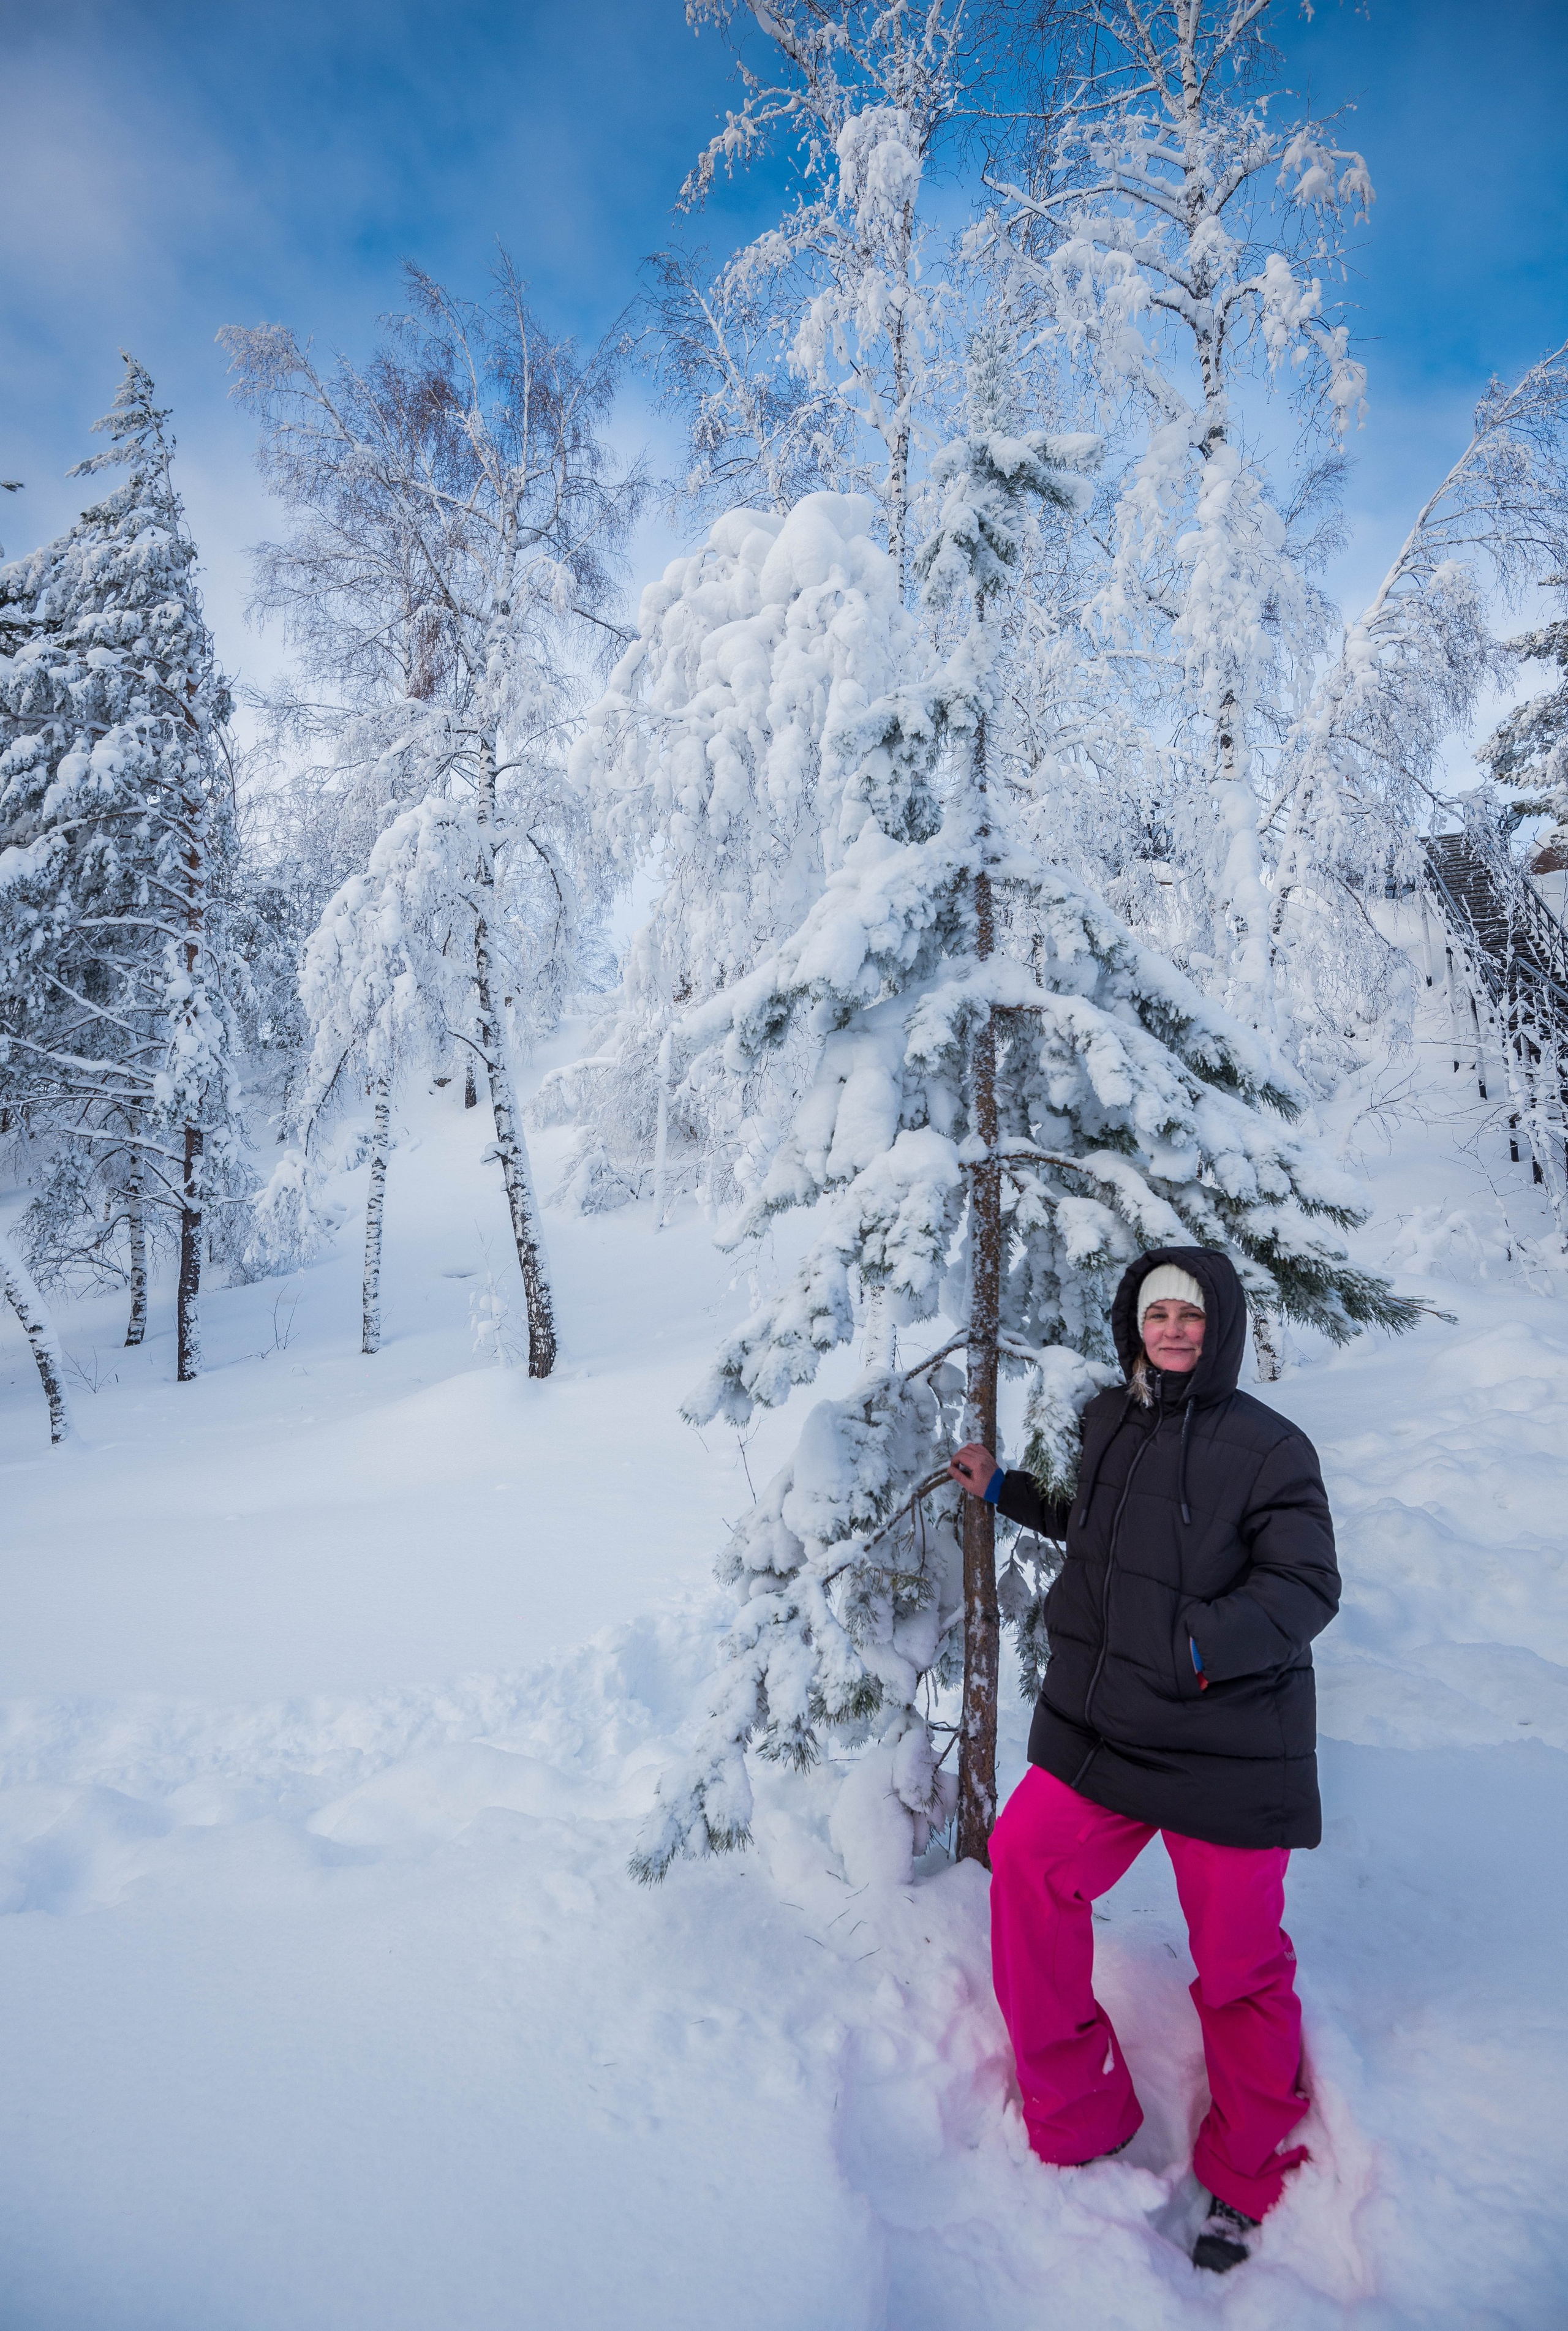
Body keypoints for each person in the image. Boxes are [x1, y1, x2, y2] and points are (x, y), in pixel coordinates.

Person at [949, 1245, 1338, 2275]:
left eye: (1191, 1314)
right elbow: (1101, 1534)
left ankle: (1249, 2173)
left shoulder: (1271, 1447)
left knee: (1241, 1964)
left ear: (1222, 1329)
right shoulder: (1111, 1420)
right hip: (1110, 1730)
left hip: (1225, 1745)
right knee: (1027, 1859)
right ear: (1135, 1322)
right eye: (1157, 1311)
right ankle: (1077, 2109)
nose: (1172, 1328)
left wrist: (1196, 1647)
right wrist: (1007, 1493)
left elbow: (1306, 1586)